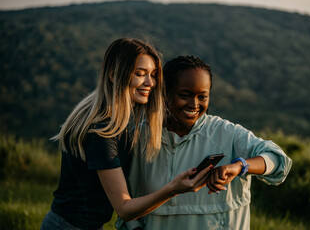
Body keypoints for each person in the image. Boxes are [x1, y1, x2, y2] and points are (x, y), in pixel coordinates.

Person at [41, 40, 212, 230]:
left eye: (153, 75)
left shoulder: (118, 120)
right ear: (114, 74)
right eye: (140, 74)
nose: (150, 83)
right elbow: (123, 208)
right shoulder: (101, 131)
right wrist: (172, 189)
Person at [120, 55, 292, 229]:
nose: (194, 104)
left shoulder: (226, 133)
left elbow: (278, 160)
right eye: (185, 95)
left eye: (202, 97)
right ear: (164, 93)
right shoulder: (138, 137)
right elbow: (123, 205)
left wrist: (239, 166)